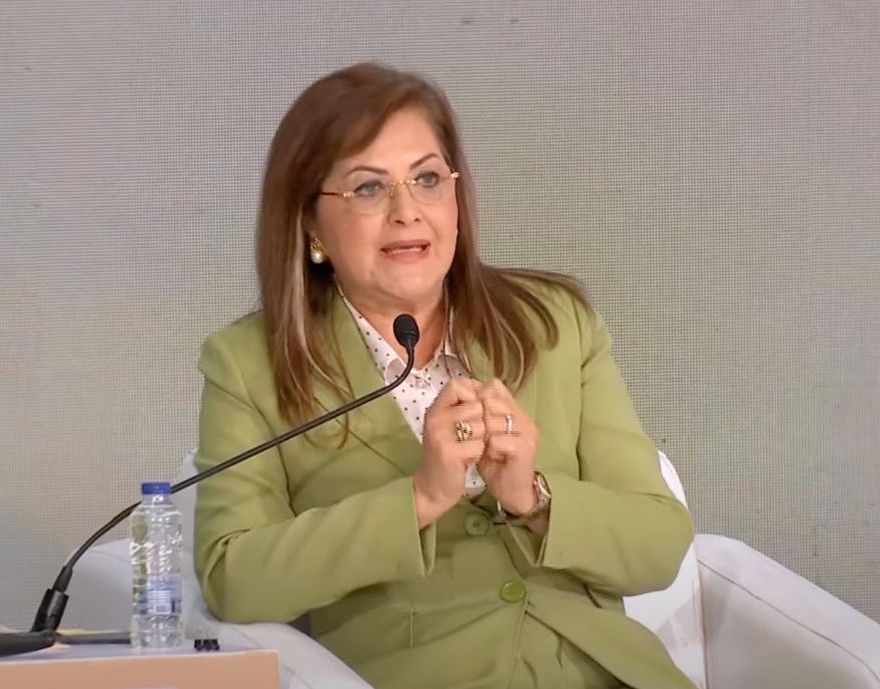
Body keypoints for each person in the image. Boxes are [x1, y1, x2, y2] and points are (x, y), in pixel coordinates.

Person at [192, 62, 695, 689]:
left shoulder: (555, 323)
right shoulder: (250, 363)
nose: (407, 212)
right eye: (368, 188)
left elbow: (658, 545)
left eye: (427, 178)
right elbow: (233, 576)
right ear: (310, 222)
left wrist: (533, 498)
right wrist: (420, 499)